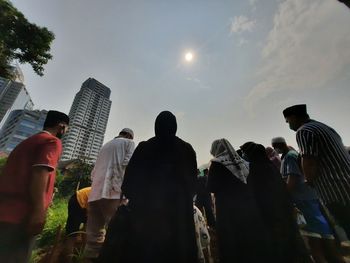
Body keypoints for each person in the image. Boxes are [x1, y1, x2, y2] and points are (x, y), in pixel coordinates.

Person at [120, 111, 198, 263]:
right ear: (175, 127)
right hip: (179, 217)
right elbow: (192, 185)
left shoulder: (144, 147)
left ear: (156, 126)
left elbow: (128, 184)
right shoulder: (187, 149)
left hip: (145, 217)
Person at [0, 110, 69, 262]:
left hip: (5, 212)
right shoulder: (52, 142)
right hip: (23, 215)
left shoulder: (25, 143)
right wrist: (39, 211)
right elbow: (40, 172)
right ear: (61, 126)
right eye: (66, 129)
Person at [272, 137, 344, 263]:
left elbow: (292, 179)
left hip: (304, 202)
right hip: (310, 199)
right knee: (325, 239)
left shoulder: (289, 157)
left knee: (314, 244)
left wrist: (282, 195)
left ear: (277, 145)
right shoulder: (292, 154)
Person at [283, 104, 350, 238]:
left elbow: (309, 159)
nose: (288, 124)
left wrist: (309, 180)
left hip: (335, 190)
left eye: (287, 120)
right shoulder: (324, 127)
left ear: (294, 117)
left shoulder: (304, 131)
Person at [241, 142, 309, 263]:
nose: (244, 156)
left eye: (245, 154)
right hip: (284, 213)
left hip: (271, 216)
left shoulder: (254, 170)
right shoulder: (270, 166)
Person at [208, 139, 272, 263]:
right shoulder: (244, 163)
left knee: (232, 243)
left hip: (227, 211)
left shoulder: (217, 163)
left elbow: (211, 187)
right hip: (248, 207)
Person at [84, 128, 135, 260]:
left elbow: (93, 173)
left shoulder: (105, 146)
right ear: (129, 136)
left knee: (94, 238)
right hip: (113, 192)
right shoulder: (129, 143)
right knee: (118, 232)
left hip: (94, 193)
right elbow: (129, 165)